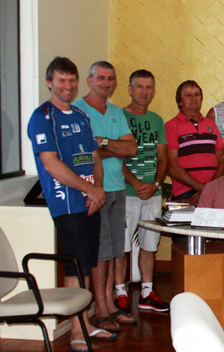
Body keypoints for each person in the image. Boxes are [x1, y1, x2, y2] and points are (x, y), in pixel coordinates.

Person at [27, 57, 111, 350]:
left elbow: (95, 156)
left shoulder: (80, 115)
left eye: (71, 80)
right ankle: (76, 329)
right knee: (75, 267)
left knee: (86, 264)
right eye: (61, 80)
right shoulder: (42, 116)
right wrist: (89, 191)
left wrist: (97, 190)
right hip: (68, 204)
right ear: (49, 82)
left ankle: (86, 321)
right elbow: (51, 165)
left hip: (91, 200)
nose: (67, 86)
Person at [73, 61, 138, 329]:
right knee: (100, 253)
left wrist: (102, 142)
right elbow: (83, 153)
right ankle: (100, 309)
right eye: (101, 78)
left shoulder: (115, 111)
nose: (106, 83)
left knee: (113, 252)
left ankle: (110, 304)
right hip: (93, 191)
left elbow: (132, 148)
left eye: (110, 78)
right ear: (89, 80)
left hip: (117, 187)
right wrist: (109, 148)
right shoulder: (77, 110)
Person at [117, 69, 169, 314]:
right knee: (122, 246)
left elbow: (162, 157)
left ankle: (147, 292)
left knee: (150, 244)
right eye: (139, 87)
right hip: (126, 192)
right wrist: (135, 183)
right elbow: (115, 155)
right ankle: (120, 292)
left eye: (149, 87)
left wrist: (156, 184)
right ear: (130, 89)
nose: (144, 92)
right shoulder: (118, 117)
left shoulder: (157, 120)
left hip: (153, 194)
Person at [165, 80, 224, 205]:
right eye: (188, 95)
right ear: (179, 101)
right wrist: (201, 188)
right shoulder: (171, 126)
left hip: (213, 193)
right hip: (185, 194)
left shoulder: (211, 125)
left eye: (197, 95)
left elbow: (221, 161)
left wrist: (208, 188)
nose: (193, 98)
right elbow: (172, 166)